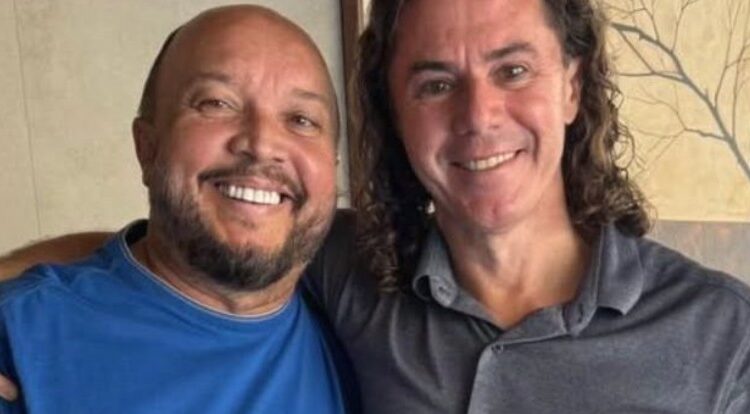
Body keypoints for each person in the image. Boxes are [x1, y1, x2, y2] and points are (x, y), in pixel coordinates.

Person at [2, 0, 749, 413]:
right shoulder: (356, 272)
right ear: (393, 116)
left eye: (513, 70)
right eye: (435, 84)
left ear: (572, 88)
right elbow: (190, 241)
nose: (478, 116)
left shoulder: (723, 333)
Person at [0, 5, 356, 413]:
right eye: (216, 103)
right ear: (147, 148)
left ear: (332, 167)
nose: (262, 143)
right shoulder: (21, 344)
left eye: (302, 119)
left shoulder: (362, 314)